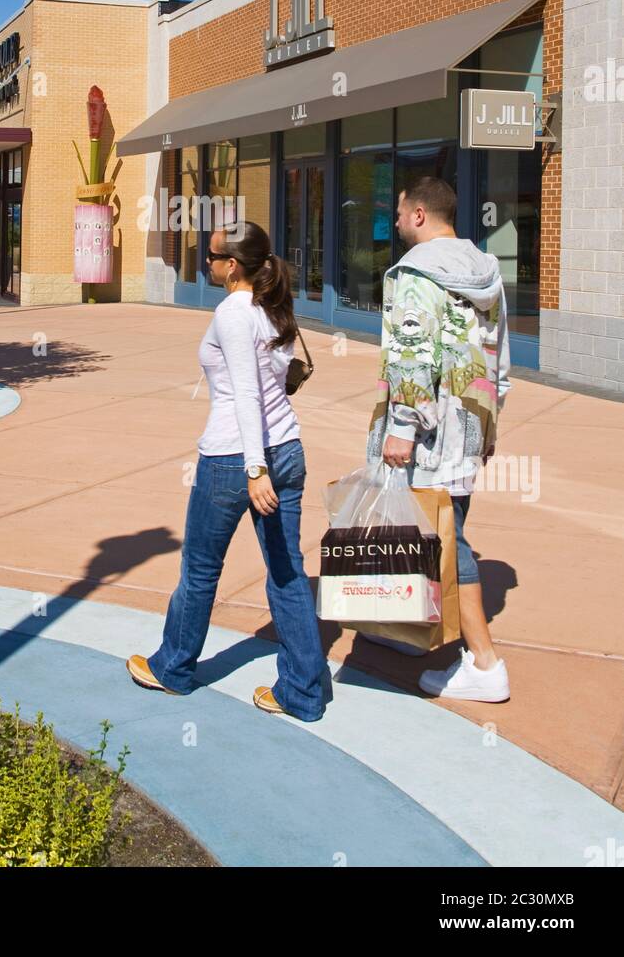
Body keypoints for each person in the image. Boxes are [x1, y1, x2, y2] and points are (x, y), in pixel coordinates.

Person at [126, 221, 328, 721]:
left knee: (199, 569)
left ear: (231, 265)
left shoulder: (234, 312)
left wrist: (254, 469)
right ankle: (304, 692)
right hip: (287, 451)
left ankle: (172, 668)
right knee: (287, 576)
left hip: (237, 459)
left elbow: (247, 395)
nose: (207, 265)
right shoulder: (273, 307)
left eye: (211, 258)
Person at [367, 176, 511, 704]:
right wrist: (490, 422)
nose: (397, 221)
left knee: (448, 539)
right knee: (432, 529)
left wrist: (402, 427)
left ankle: (484, 663)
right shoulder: (486, 272)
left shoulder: (414, 274)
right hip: (466, 428)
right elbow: (499, 358)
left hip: (427, 434)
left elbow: (411, 351)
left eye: (400, 213)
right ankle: (413, 629)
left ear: (421, 215)